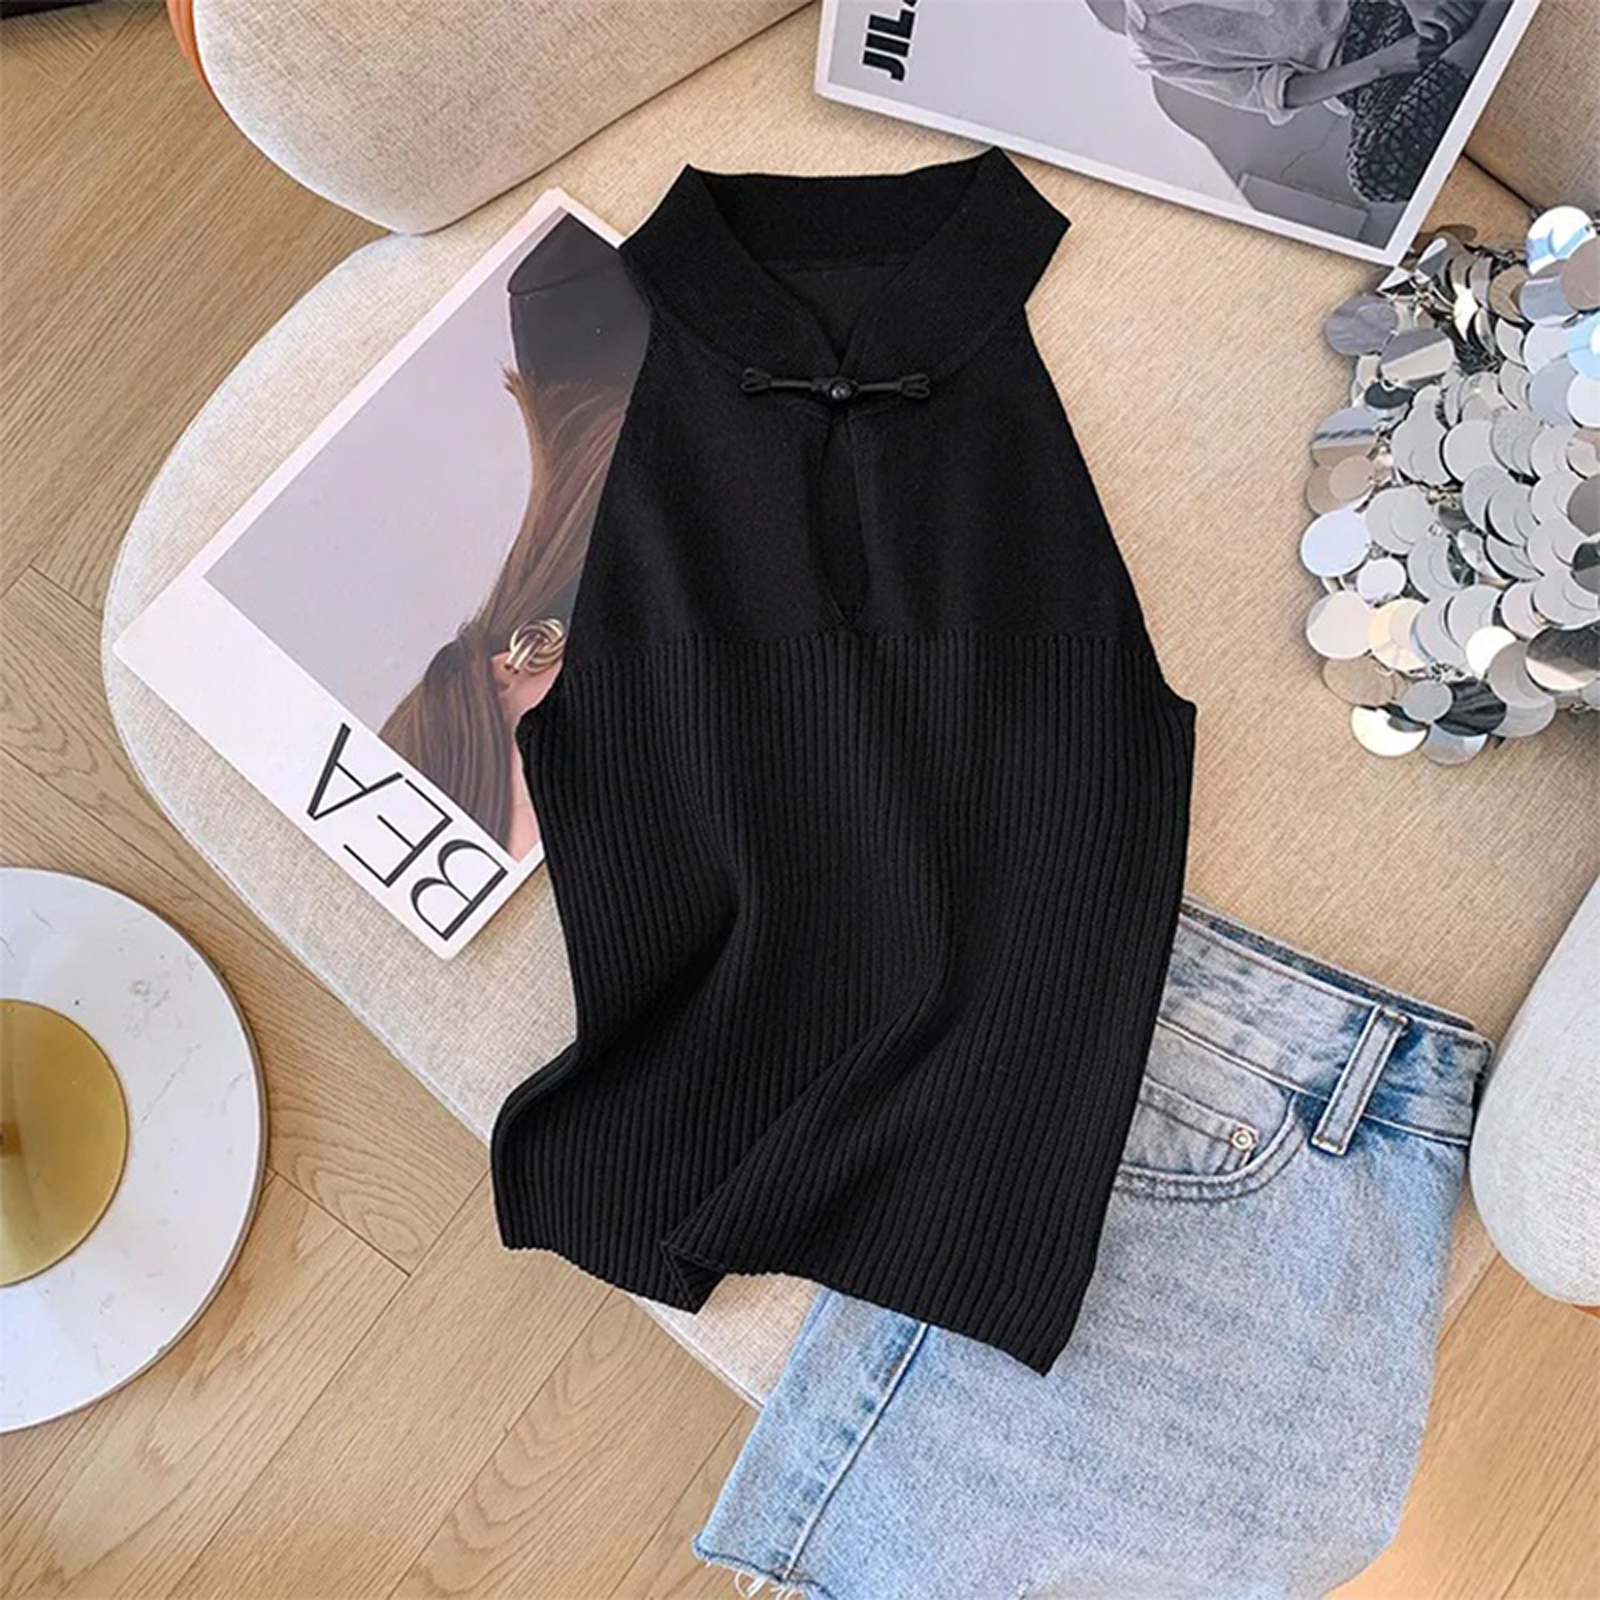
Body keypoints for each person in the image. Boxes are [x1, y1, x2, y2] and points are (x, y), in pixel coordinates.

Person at [1086, 0, 1513, 203]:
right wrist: (1386, 63)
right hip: (1360, 69)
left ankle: (1461, 44)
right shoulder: (1155, 49)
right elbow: (1276, 91)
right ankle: (1485, 26)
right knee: (1375, 176)